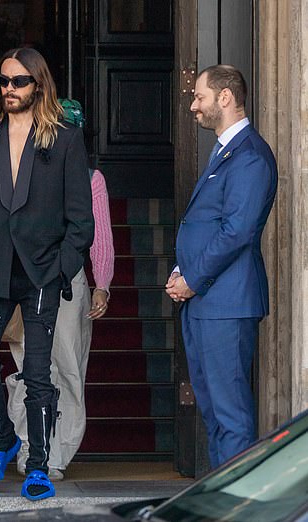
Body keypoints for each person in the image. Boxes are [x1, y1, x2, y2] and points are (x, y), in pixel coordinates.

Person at [0, 48, 94, 501]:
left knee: (38, 373)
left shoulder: (64, 138)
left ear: (39, 85)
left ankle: (40, 464)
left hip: (43, 273)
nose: (8, 89)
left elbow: (81, 220)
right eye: (3, 81)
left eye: (19, 82)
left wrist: (63, 268)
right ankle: (3, 437)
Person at [166, 65, 278, 468]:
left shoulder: (249, 155)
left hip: (225, 303)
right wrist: (183, 273)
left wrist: (192, 279)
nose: (194, 106)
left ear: (226, 97)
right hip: (206, 301)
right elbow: (210, 225)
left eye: (200, 97)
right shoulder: (226, 149)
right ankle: (217, 501)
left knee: (230, 414)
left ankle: (234, 508)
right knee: (213, 412)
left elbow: (237, 231)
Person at [7, 168, 114, 480]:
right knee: (27, 365)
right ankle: (29, 446)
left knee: (67, 365)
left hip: (68, 280)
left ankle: (58, 453)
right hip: (24, 278)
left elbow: (100, 235)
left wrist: (102, 285)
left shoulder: (90, 176)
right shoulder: (15, 163)